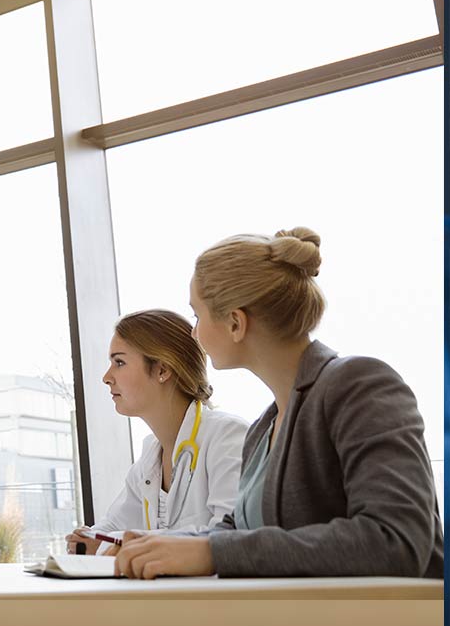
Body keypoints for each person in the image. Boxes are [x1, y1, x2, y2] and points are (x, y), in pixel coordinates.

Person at [115, 227, 444, 579]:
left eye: (197, 315)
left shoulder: (359, 385)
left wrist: (210, 551)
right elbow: (237, 533)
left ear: (236, 323)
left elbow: (395, 539)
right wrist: (163, 545)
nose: (194, 334)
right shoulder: (263, 428)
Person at [65, 310, 247, 555]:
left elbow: (230, 538)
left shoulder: (227, 436)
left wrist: (116, 543)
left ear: (162, 370)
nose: (106, 377)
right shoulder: (150, 457)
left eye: (119, 362)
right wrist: (86, 539)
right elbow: (110, 529)